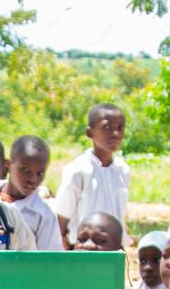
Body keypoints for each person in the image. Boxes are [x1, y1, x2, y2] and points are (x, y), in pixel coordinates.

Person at [52, 103, 130, 249]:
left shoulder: (123, 170)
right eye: (107, 127)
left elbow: (120, 213)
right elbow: (63, 214)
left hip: (111, 248)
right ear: (90, 132)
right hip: (84, 248)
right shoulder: (78, 170)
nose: (115, 134)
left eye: (120, 128)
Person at [0, 135, 62, 251]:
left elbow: (49, 260)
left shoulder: (43, 215)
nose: (33, 179)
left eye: (40, 173)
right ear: (8, 165)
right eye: (25, 170)